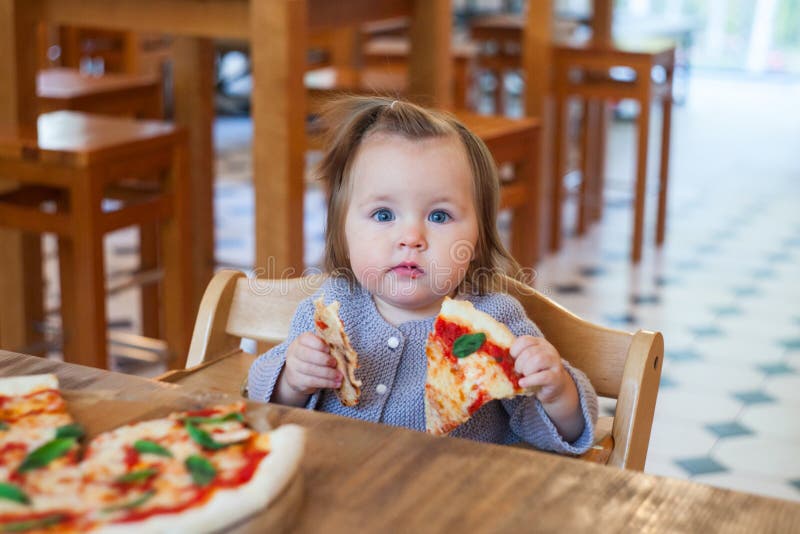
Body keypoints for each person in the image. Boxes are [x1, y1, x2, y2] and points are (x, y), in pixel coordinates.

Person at [249, 96, 598, 453]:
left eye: (439, 216)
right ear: (343, 230)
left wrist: (556, 392)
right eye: (384, 215)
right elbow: (265, 402)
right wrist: (293, 380)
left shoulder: (494, 320)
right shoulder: (328, 310)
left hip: (449, 498)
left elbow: (559, 432)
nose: (411, 238)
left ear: (478, 240)